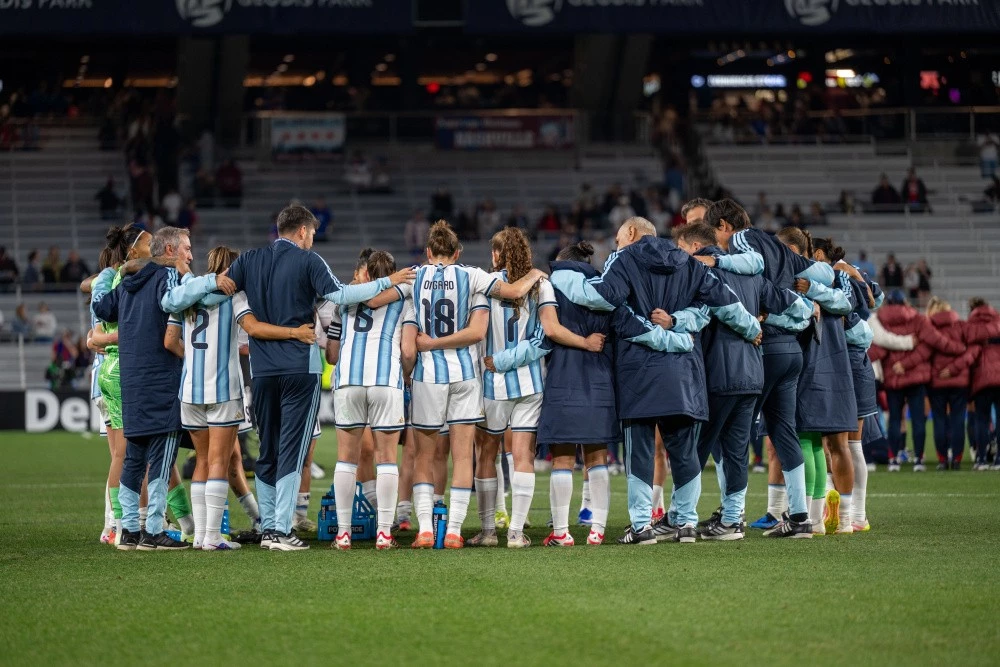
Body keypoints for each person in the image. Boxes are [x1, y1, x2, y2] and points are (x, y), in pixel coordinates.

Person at [551, 215, 760, 545]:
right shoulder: (687, 261)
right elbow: (723, 300)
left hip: (639, 373)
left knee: (641, 454)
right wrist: (752, 328)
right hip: (685, 372)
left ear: (631, 232)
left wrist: (561, 274)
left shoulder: (625, 258)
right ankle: (687, 524)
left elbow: (603, 299)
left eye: (619, 239)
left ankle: (641, 526)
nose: (617, 245)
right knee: (685, 453)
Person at [222, 205, 414, 551]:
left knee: (268, 450)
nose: (312, 237)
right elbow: (341, 295)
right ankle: (280, 531)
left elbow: (222, 286)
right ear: (301, 231)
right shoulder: (310, 261)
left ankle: (268, 527)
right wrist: (389, 281)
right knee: (293, 452)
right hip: (300, 367)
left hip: (263, 370)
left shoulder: (248, 260)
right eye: (311, 232)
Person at [370, 220, 546, 549]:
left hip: (428, 377)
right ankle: (453, 531)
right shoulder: (472, 276)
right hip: (466, 374)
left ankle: (424, 529)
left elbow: (378, 303)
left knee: (424, 456)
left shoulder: (414, 276)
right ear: (457, 252)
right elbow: (511, 292)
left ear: (427, 251)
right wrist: (535, 274)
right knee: (464, 457)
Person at [92, 226, 233, 551]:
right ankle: (153, 530)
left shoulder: (128, 280)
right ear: (168, 251)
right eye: (185, 248)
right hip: (161, 381)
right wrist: (212, 281)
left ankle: (128, 531)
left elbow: (102, 308)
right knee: (161, 459)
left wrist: (105, 276)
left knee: (133, 460)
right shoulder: (167, 277)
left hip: (132, 381)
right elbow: (176, 299)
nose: (190, 255)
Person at [164, 246, 313, 551]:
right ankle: (212, 537)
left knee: (202, 460)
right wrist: (295, 333)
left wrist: (193, 361)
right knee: (219, 460)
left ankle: (199, 536)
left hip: (189, 389)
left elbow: (170, 340)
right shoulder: (235, 296)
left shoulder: (187, 292)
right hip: (222, 389)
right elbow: (254, 328)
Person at [704, 198, 836, 537]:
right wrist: (803, 296)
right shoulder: (777, 246)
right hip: (792, 351)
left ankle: (731, 515)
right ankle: (800, 518)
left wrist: (710, 261)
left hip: (766, 347)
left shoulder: (743, 240)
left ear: (724, 226)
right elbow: (824, 272)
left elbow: (752, 272)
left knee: (730, 434)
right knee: (784, 433)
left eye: (714, 233)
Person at [471, 229, 611, 549]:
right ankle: (517, 533)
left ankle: (489, 530)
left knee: (487, 456)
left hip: (491, 382)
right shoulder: (542, 285)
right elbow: (545, 337)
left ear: (496, 255)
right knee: (523, 457)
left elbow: (475, 333)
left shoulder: (482, 285)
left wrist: (497, 361)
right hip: (529, 383)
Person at [670, 222, 810, 540]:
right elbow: (802, 310)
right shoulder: (751, 274)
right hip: (752, 374)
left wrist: (673, 321)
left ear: (693, 246)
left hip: (718, 373)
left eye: (680, 249)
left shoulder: (702, 272)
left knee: (695, 446)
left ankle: (681, 518)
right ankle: (732, 521)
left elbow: (705, 314)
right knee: (736, 449)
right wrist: (766, 320)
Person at [325, 250, 414, 551]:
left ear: (366, 273)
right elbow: (407, 351)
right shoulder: (405, 298)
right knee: (387, 458)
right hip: (385, 380)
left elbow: (331, 354)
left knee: (345, 458)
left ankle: (344, 533)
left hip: (348, 380)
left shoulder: (344, 299)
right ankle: (384, 533)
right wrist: (407, 375)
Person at [793, 234, 858, 536]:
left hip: (837, 362)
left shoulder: (836, 274)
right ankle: (815, 516)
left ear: (815, 254)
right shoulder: (797, 277)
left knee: (839, 444)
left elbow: (850, 304)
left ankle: (847, 516)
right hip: (811, 361)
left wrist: (814, 291)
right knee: (815, 441)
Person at [868, 290, 963, 471]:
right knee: (918, 420)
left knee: (894, 420)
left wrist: (896, 362)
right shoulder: (918, 319)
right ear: (905, 302)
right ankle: (919, 460)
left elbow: (880, 346)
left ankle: (894, 460)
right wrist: (958, 348)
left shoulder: (880, 320)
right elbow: (932, 342)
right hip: (917, 378)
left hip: (893, 378)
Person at [926, 297, 977, 471]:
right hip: (960, 380)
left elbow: (925, 354)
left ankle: (942, 460)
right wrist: (955, 368)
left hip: (936, 381)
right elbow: (972, 351)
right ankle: (956, 460)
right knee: (957, 421)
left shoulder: (929, 327)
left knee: (939, 421)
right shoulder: (961, 326)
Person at [964, 298, 1000, 470]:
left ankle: (981, 459)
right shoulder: (998, 320)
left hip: (982, 378)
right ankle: (999, 459)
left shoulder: (971, 325)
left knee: (981, 420)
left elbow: (969, 352)